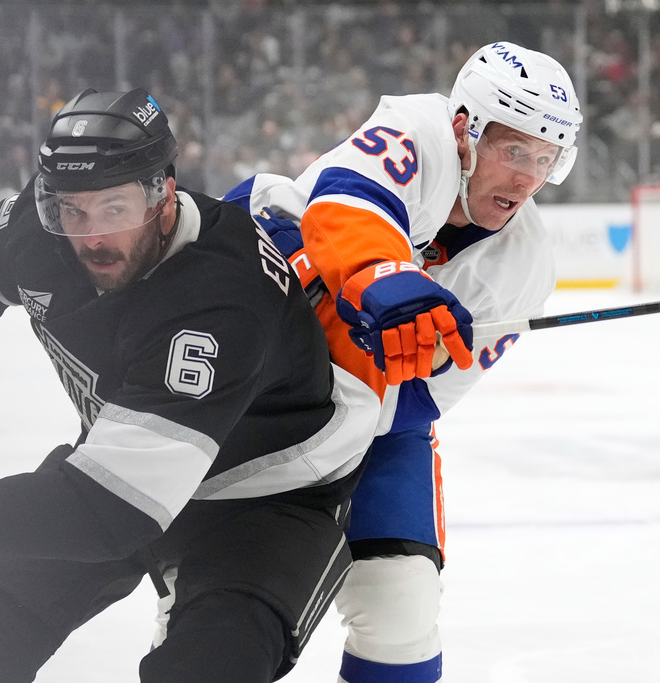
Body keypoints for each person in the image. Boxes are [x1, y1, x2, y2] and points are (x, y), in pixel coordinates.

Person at [0, 88, 382, 683]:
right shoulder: (50, 231)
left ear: (164, 195)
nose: (90, 237)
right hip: (123, 459)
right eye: (72, 210)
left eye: (115, 209)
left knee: (215, 662)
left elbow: (112, 509)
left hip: (268, 492)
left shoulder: (222, 301)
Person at [224, 41, 581, 683]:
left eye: (545, 158)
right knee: (216, 612)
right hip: (254, 363)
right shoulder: (419, 129)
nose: (528, 178)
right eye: (514, 150)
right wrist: (382, 281)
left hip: (370, 423)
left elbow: (421, 400)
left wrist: (381, 360)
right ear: (466, 132)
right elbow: (347, 207)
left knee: (403, 608)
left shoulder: (525, 266)